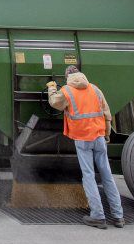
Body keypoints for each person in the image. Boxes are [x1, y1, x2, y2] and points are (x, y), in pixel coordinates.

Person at [47, 65, 125, 229]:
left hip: (83, 139)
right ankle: (118, 216)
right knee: (107, 175)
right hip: (99, 137)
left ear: (67, 77)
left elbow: (54, 102)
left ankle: (98, 216)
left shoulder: (67, 91)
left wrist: (52, 88)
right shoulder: (95, 89)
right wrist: (107, 134)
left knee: (88, 176)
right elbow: (107, 114)